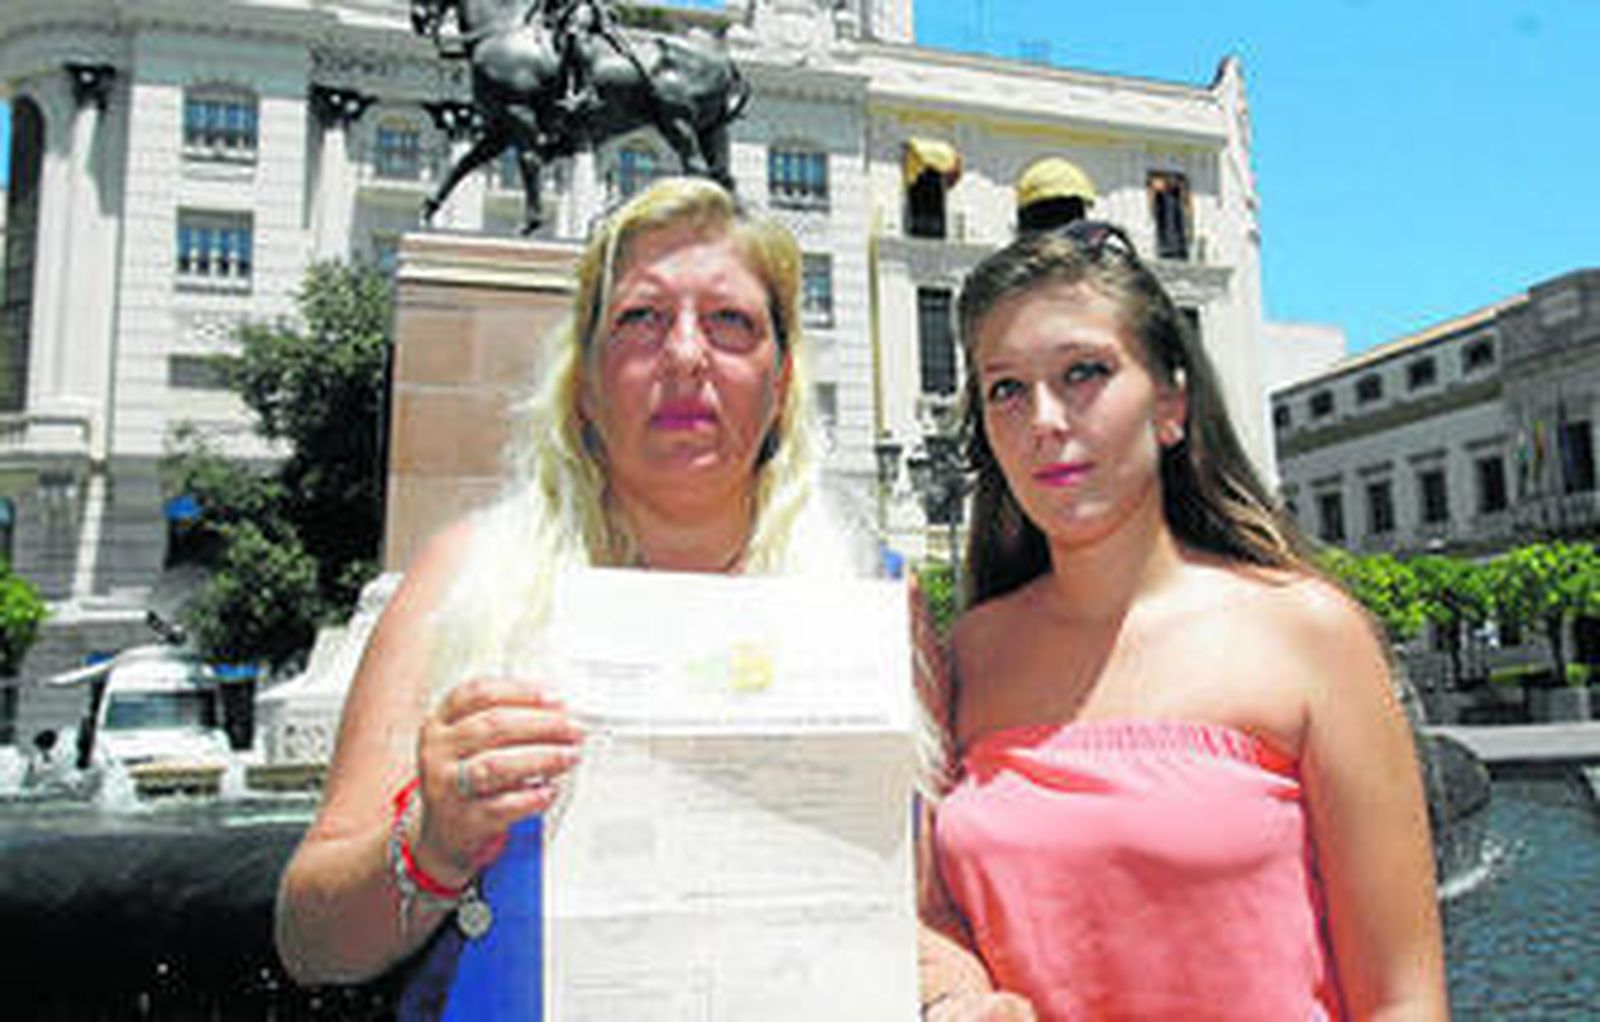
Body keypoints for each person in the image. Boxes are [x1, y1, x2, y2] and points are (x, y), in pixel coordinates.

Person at [921, 222, 1448, 1020]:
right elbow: (928, 911)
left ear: (1171, 404)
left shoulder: (1309, 633)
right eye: (1006, 390)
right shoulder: (966, 655)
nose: (1044, 420)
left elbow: (1403, 1001)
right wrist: (957, 996)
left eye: (1084, 373)